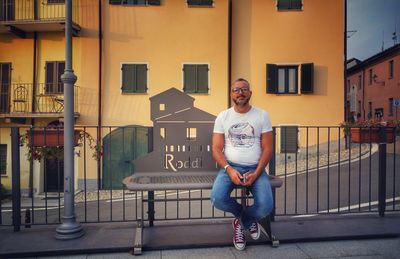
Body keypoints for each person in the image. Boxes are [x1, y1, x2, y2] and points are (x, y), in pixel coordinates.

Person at [211, 78, 274, 251]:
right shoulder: (223, 117)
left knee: (266, 205)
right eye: (236, 90)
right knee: (217, 198)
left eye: (244, 89)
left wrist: (257, 172)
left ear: (250, 93)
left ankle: (242, 223)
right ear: (231, 94)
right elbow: (216, 149)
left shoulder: (262, 115)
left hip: (256, 168)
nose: (240, 92)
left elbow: (268, 148)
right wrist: (229, 170)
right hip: (230, 167)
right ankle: (247, 219)